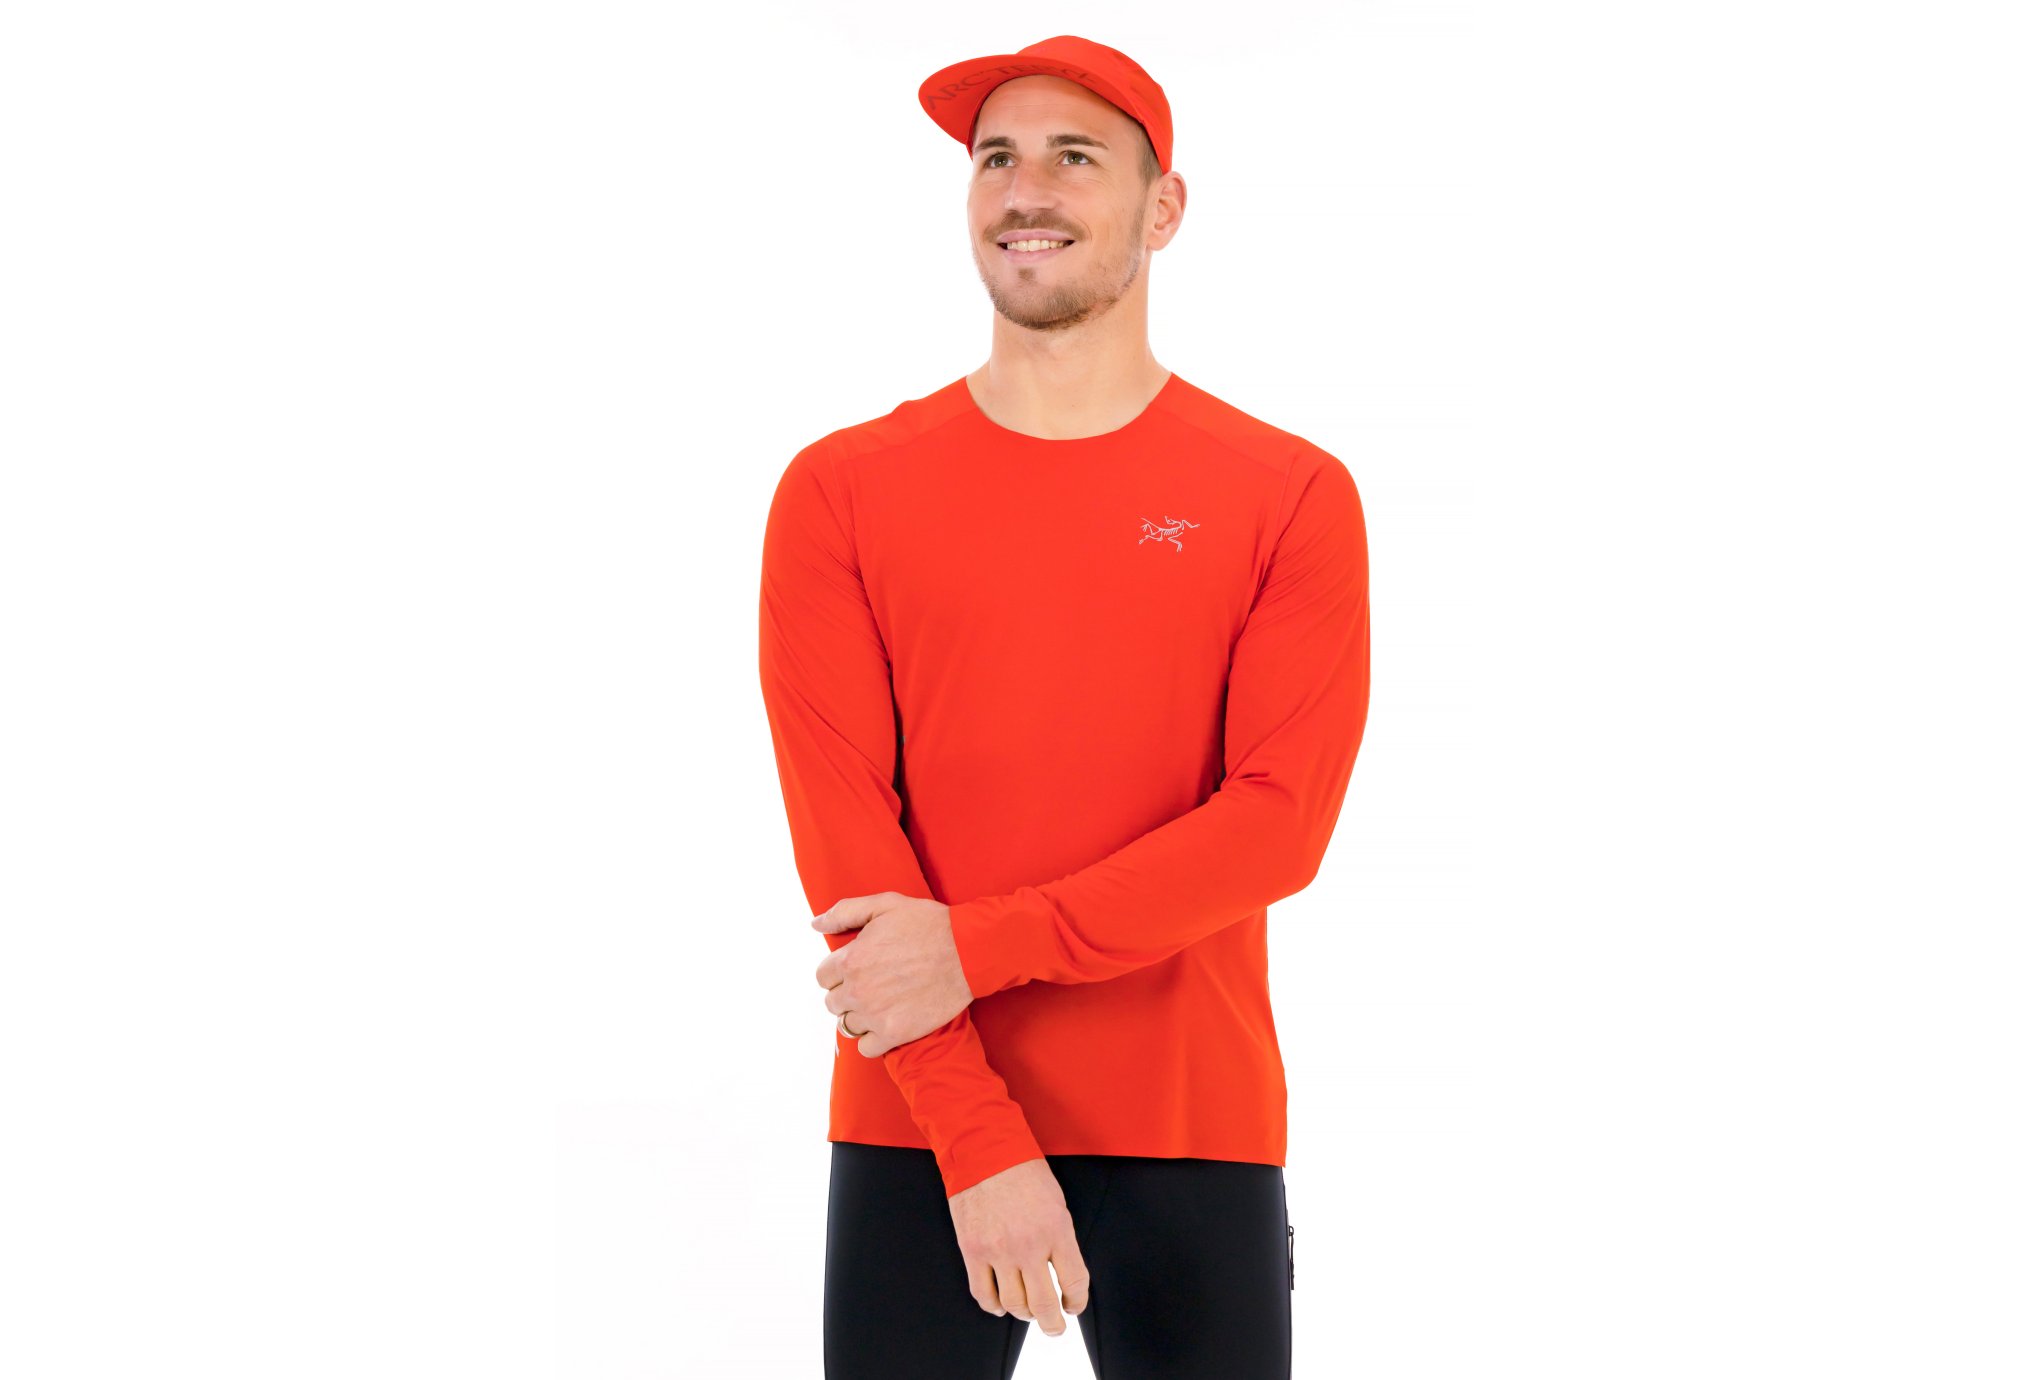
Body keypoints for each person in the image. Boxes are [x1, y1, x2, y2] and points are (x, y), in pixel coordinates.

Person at [756, 34, 1370, 1379]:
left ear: (1163, 209)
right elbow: (847, 844)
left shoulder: (1286, 493)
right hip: (921, 1117)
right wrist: (975, 1139)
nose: (1024, 190)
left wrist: (977, 946)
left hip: (1188, 1117)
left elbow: (1276, 825)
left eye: (1073, 157)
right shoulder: (840, 491)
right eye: (996, 159)